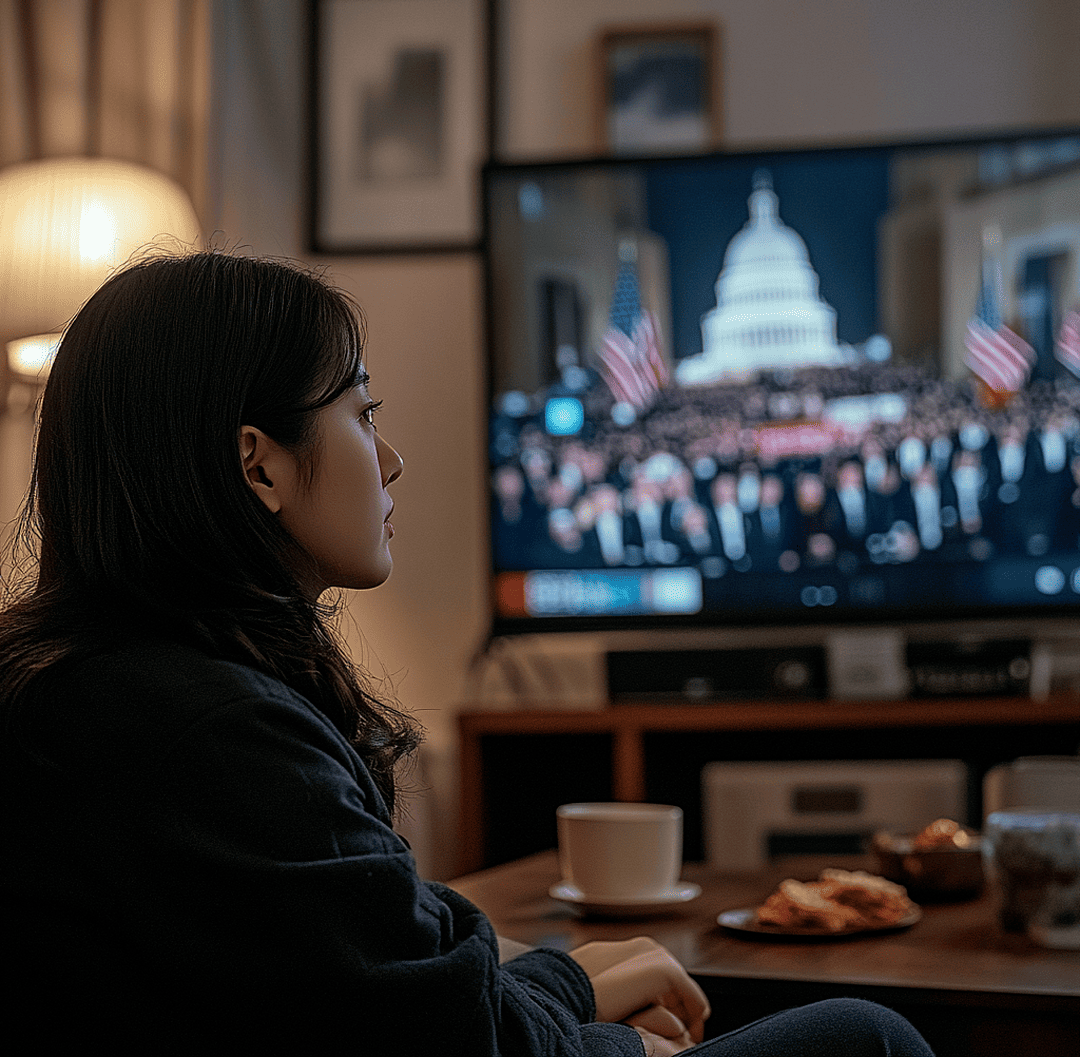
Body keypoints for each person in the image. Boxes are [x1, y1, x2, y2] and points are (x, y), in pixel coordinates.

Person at [0, 251, 935, 1055]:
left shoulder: (102, 688)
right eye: (362, 414)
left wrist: (568, 991)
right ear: (260, 465)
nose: (392, 458)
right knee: (867, 1037)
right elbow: (453, 1035)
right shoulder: (215, 733)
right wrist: (606, 1038)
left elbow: (389, 967)